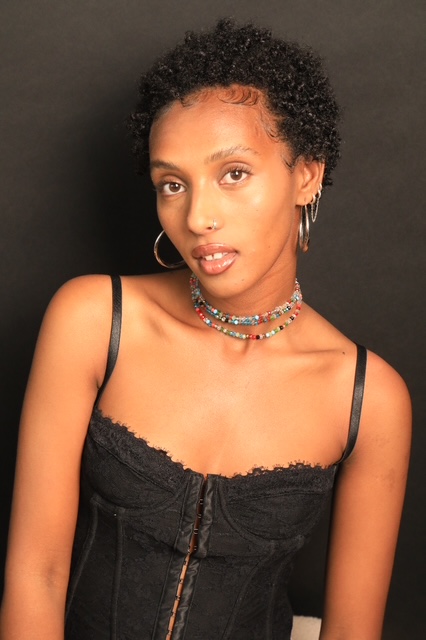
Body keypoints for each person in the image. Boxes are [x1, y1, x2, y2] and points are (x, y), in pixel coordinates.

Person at [0, 18, 411, 640]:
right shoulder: (93, 320)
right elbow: (38, 574)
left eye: (234, 173)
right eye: (173, 184)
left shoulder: (368, 398)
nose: (197, 217)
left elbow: (353, 631)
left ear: (306, 176)